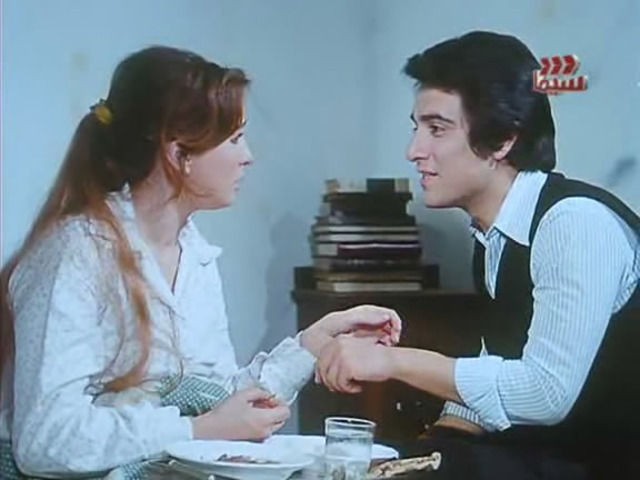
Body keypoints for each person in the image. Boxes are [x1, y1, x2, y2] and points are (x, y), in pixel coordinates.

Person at [0, 46, 402, 479]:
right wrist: (196, 430)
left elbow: (217, 404)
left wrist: (310, 346)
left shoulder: (195, 255)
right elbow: (45, 440)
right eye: (235, 139)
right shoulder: (77, 253)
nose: (248, 156)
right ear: (179, 154)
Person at [315, 31, 639, 479]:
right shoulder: (495, 236)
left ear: (503, 140)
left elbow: (545, 394)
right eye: (416, 127)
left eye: (437, 128)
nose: (414, 151)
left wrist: (392, 361)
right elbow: (493, 376)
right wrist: (426, 448)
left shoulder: (574, 223)